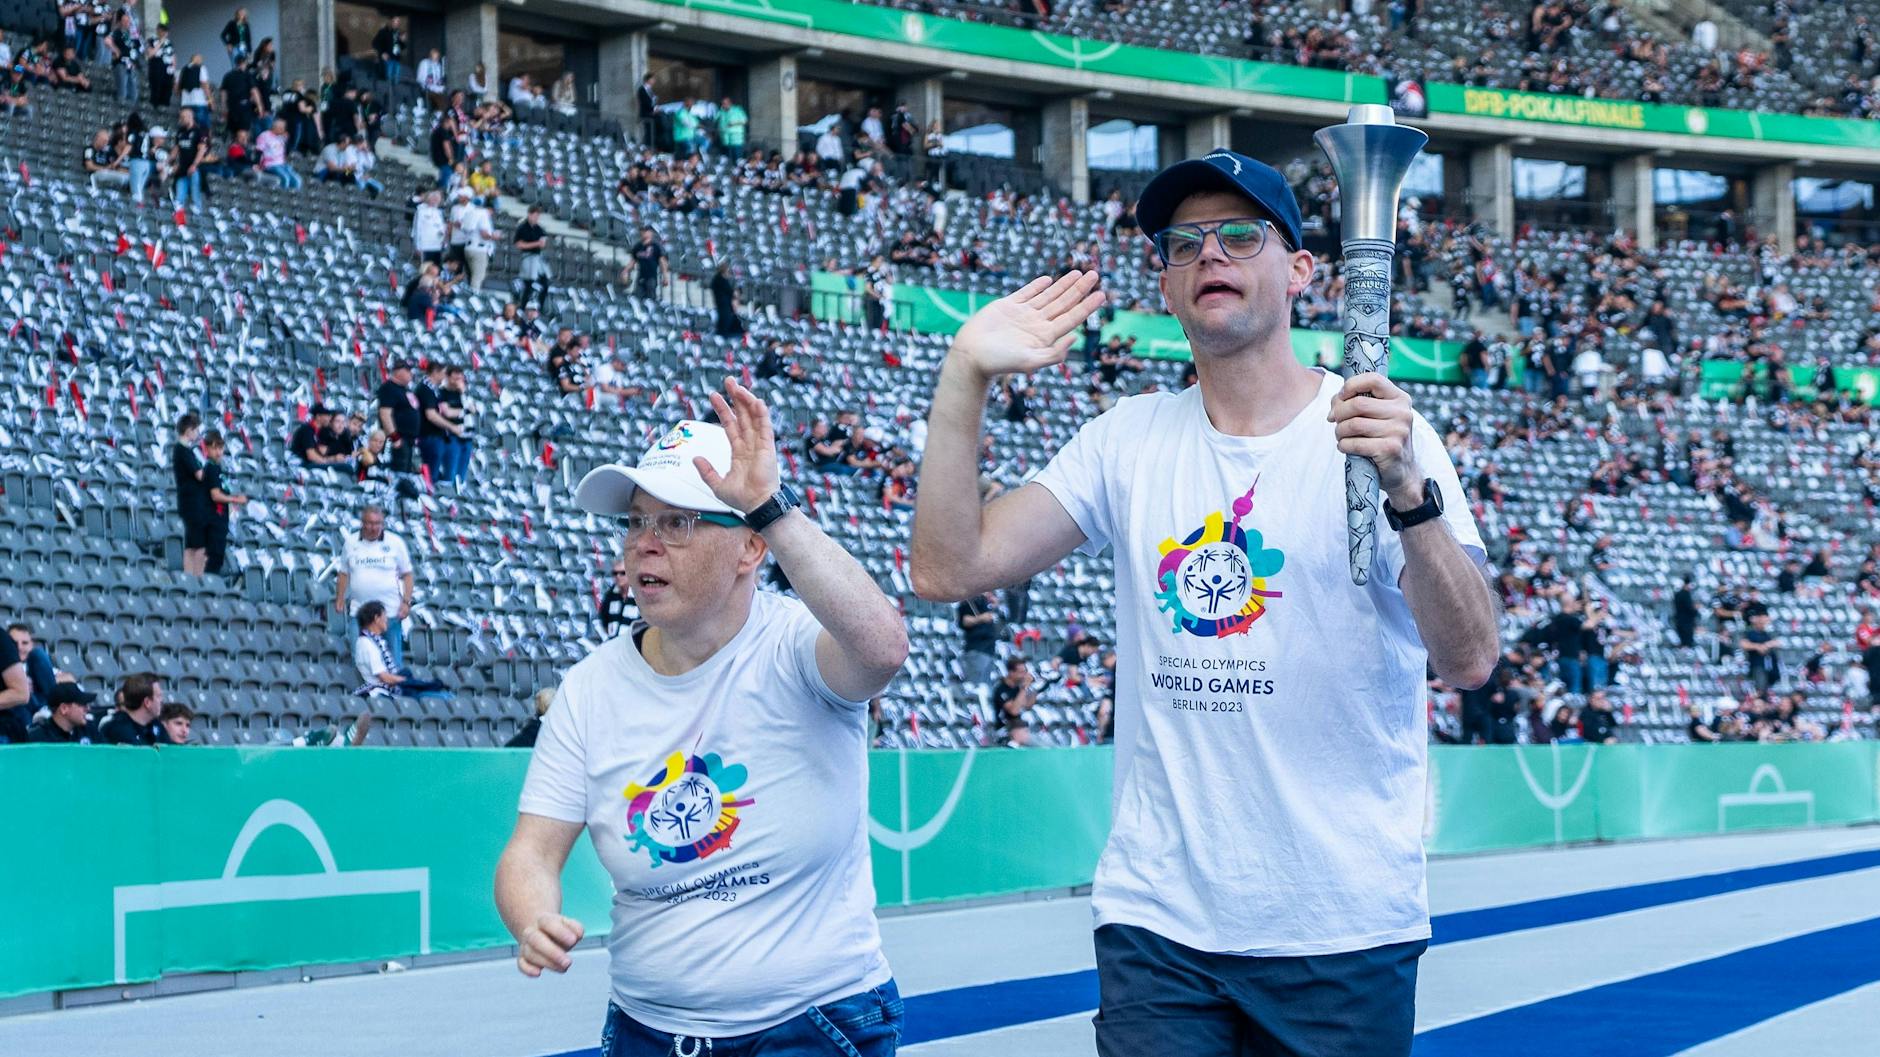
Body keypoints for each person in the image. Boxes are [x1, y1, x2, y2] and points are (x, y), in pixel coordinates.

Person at [910, 149, 1497, 1057]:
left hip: (1340, 927)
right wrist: (964, 378)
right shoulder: (1125, 441)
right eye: (1185, 244)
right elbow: (950, 568)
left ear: (1301, 270)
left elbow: (1469, 658)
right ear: (1169, 284)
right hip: (1160, 921)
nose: (1210, 255)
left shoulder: (1380, 431)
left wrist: (1409, 494)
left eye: (1238, 235)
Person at [495, 385, 909, 1053]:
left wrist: (771, 508)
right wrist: (532, 914)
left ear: (751, 549)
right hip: (646, 1031)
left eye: (677, 523)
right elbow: (531, 851)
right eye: (635, 522)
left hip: (817, 1025)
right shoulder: (589, 689)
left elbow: (883, 646)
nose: (644, 545)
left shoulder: (798, 647)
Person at [334, 505, 415, 666]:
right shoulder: (351, 543)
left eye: (378, 523)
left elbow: (407, 574)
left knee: (392, 660)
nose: (374, 528)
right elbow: (344, 573)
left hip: (390, 613)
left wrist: (406, 602)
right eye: (370, 523)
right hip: (359, 612)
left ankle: (392, 691)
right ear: (362, 523)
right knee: (361, 657)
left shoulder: (395, 542)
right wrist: (340, 597)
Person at [353, 601, 449, 698]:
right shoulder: (366, 644)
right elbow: (384, 677)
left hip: (391, 689)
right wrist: (410, 682)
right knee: (444, 697)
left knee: (444, 695)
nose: (386, 620)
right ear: (376, 618)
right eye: (384, 616)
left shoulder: (375, 641)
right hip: (382, 692)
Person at [199, 430, 246, 576]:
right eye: (214, 448)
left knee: (217, 559)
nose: (218, 452)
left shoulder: (218, 469)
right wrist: (234, 499)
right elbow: (215, 495)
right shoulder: (211, 468)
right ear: (207, 449)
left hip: (220, 522)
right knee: (211, 562)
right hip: (212, 522)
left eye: (220, 448)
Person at [171, 413, 211, 576]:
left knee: (191, 544)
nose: (197, 434)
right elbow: (200, 475)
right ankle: (196, 578)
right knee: (200, 545)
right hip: (192, 504)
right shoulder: (183, 451)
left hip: (189, 503)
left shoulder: (183, 450)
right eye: (195, 430)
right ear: (188, 430)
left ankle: (190, 579)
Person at [377, 359, 422, 474]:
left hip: (408, 439)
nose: (410, 373)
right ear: (398, 371)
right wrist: (395, 438)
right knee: (398, 472)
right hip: (397, 439)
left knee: (405, 472)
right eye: (407, 370)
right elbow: (385, 414)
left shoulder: (404, 390)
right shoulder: (389, 388)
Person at [100, 673, 165, 746]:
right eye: (159, 696)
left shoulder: (156, 724)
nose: (162, 700)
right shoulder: (118, 729)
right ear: (147, 702)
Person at [955, 591, 1002, 686]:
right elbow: (964, 621)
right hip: (976, 649)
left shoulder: (988, 605)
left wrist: (995, 606)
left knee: (985, 684)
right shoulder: (970, 602)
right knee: (974, 684)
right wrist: (980, 618)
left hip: (989, 650)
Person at [28, 683, 99, 743]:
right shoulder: (38, 738)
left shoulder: (89, 730)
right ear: (64, 708)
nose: (88, 709)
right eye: (82, 704)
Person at [514, 206, 551, 310]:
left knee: (544, 283)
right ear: (530, 214)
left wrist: (541, 243)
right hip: (528, 257)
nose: (536, 218)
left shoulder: (538, 228)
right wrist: (536, 244)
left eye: (537, 216)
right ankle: (522, 307)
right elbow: (519, 244)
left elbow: (543, 241)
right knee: (528, 285)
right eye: (535, 215)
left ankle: (540, 307)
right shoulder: (523, 227)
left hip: (537, 257)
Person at [598, 558, 638, 640]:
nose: (618, 576)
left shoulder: (641, 595)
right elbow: (604, 619)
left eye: (622, 573)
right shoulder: (610, 595)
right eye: (615, 573)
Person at [630, 225, 666, 301]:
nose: (643, 233)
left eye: (646, 231)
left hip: (651, 277)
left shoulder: (656, 246)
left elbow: (662, 262)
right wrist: (625, 271)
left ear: (651, 233)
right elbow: (633, 260)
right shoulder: (638, 246)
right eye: (642, 231)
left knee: (650, 299)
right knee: (637, 298)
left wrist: (665, 277)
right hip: (641, 276)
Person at [710, 260, 744, 338]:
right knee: (724, 325)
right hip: (724, 305)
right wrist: (735, 293)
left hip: (724, 306)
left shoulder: (719, 279)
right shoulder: (720, 280)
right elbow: (731, 292)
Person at [373, 16, 406, 84]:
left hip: (396, 59)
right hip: (388, 58)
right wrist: (382, 53)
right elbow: (375, 43)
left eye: (398, 22)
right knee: (388, 78)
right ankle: (388, 92)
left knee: (397, 79)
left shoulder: (398, 33)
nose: (397, 24)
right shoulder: (384, 31)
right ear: (391, 22)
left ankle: (395, 92)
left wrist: (402, 41)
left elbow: (402, 47)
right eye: (395, 21)